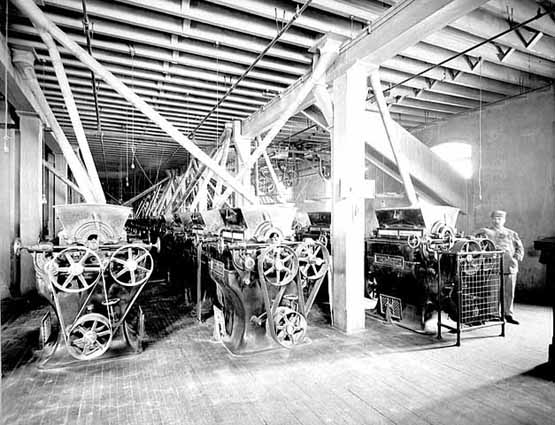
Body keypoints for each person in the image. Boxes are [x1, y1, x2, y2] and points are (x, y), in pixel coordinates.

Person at [476, 210, 524, 324]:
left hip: (510, 266)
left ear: (504, 220)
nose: (497, 221)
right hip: (494, 266)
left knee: (509, 292)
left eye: (500, 218)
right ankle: (493, 314)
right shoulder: (485, 232)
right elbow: (476, 242)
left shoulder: (512, 233)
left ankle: (508, 314)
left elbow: (520, 247)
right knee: (493, 291)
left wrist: (516, 256)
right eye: (495, 218)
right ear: (491, 219)